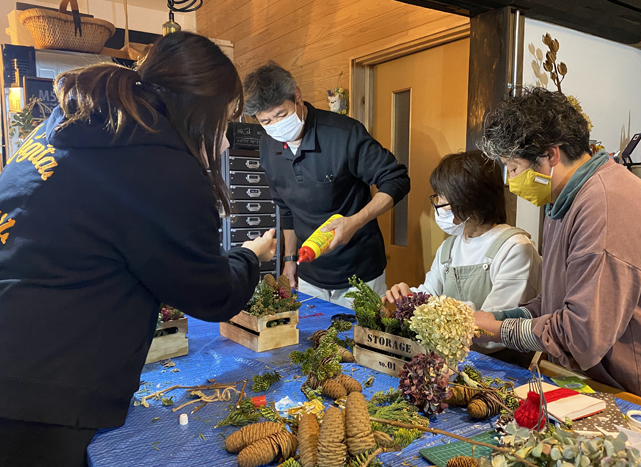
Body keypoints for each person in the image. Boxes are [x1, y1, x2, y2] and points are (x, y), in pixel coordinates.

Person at [0, 32, 276, 466]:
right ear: (197, 111)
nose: (225, 141)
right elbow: (213, 294)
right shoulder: (162, 166)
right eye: (223, 121)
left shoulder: (72, 123)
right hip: (36, 389)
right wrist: (250, 255)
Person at [474, 87, 641, 414]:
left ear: (551, 156)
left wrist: (498, 329)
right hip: (608, 382)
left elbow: (581, 334)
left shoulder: (607, 206)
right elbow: (558, 302)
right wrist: (495, 318)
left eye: (513, 167)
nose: (510, 182)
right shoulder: (564, 200)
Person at [242, 62, 410, 307]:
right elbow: (286, 209)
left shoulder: (343, 134)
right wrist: (290, 260)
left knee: (359, 340)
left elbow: (396, 179)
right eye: (265, 121)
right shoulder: (268, 146)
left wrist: (354, 222)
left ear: (297, 95)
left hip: (360, 273)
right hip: (309, 274)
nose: (276, 126)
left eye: (281, 115)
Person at [384, 150, 541, 363]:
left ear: (470, 200)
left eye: (443, 198)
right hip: (452, 360)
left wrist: (431, 312)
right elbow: (429, 294)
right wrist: (409, 297)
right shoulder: (449, 247)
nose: (438, 204)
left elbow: (493, 328)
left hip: (498, 363)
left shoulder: (514, 248)